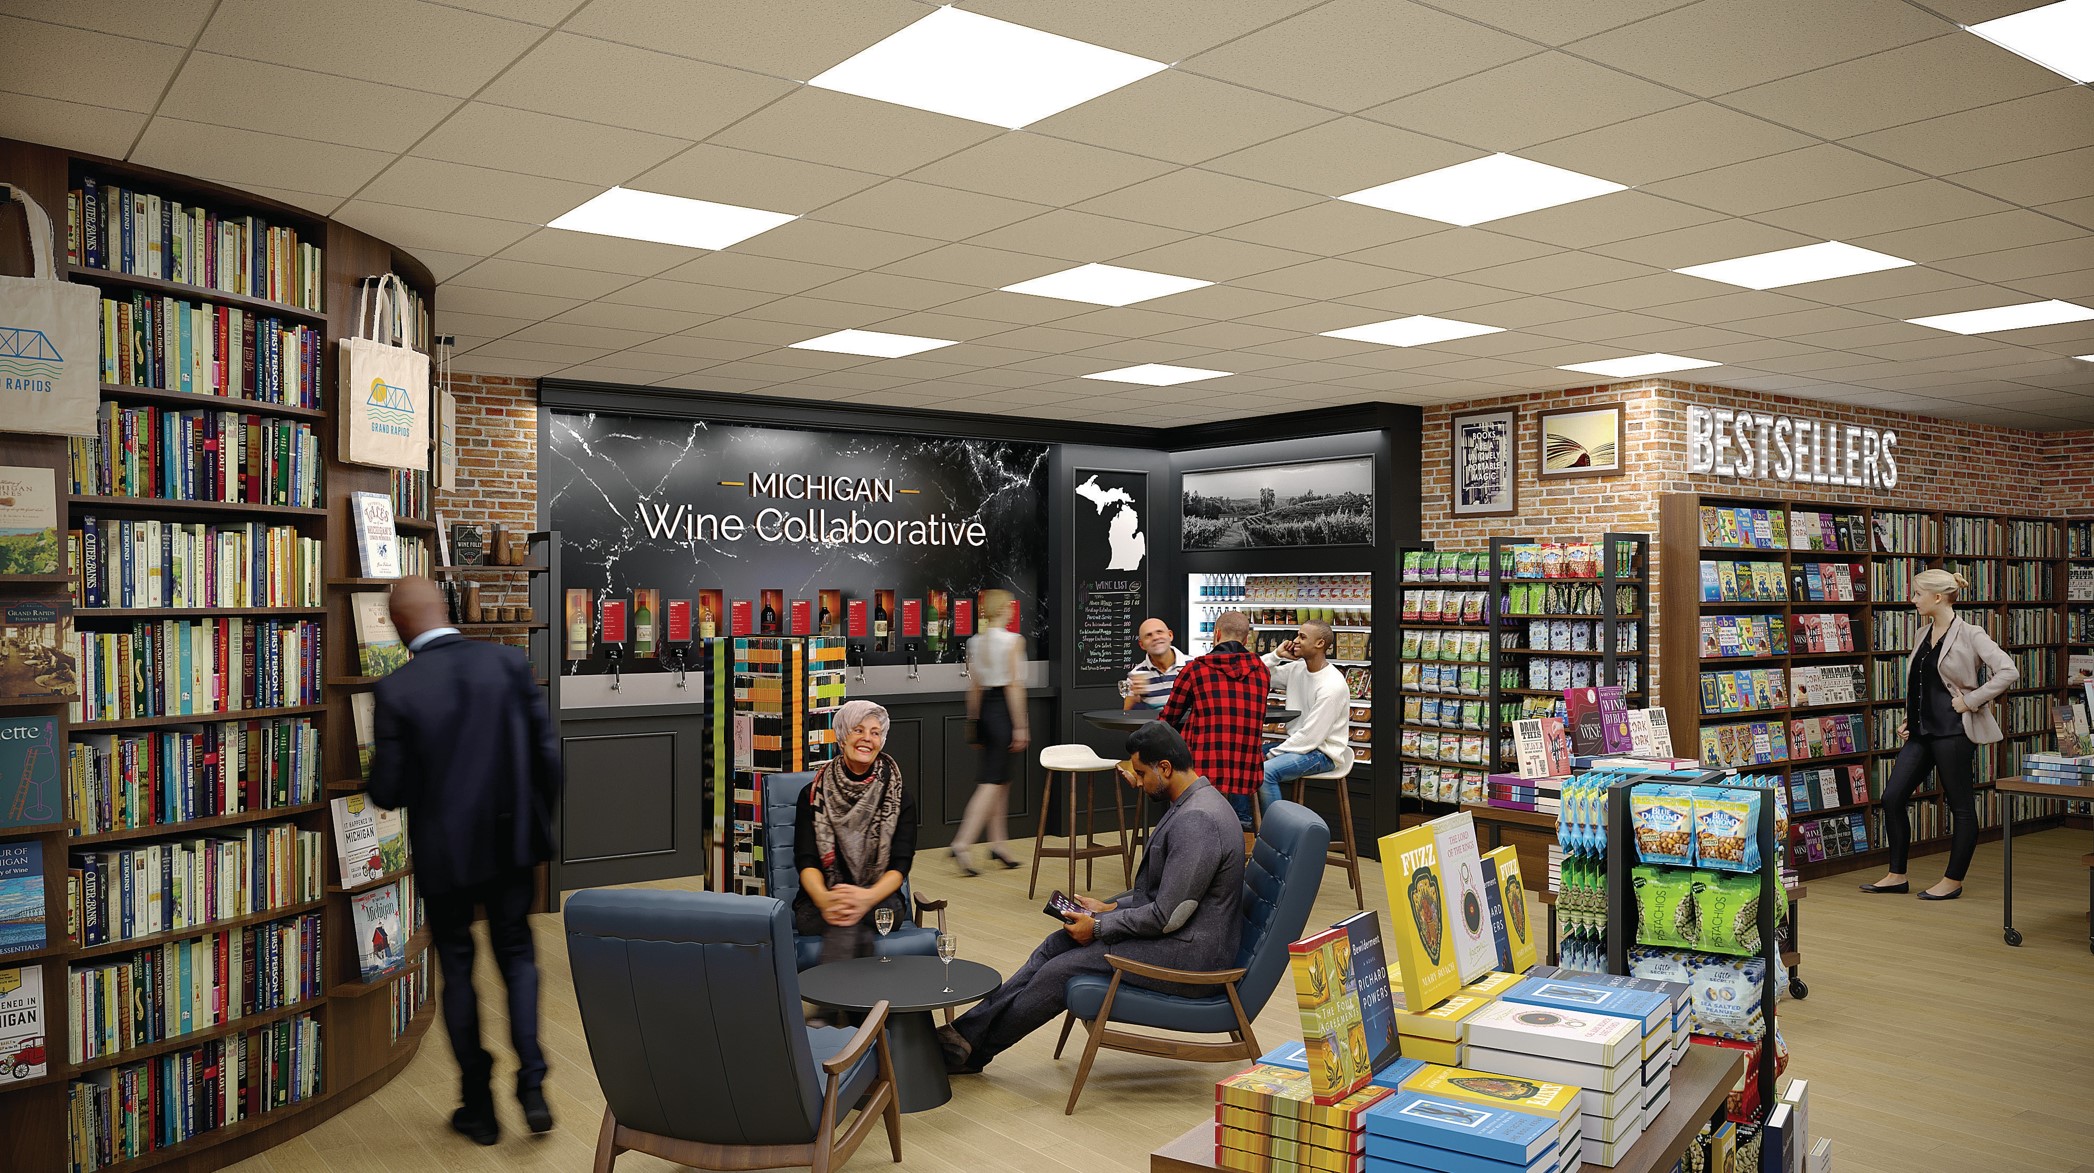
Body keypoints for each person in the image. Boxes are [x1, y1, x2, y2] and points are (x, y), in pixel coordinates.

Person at [368, 576, 561, 1146]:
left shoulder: (397, 689)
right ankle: (533, 1086)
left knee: (457, 969)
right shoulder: (507, 663)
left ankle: (478, 1107)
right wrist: (533, 823)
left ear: (399, 626)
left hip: (444, 854)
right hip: (511, 844)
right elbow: (548, 758)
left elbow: (388, 791)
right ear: (445, 609)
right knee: (517, 956)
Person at [937, 721, 1243, 1074]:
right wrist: (1110, 907)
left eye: (1142, 774)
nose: (1137, 782)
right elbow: (1165, 893)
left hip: (1189, 957)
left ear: (1165, 767)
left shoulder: (1198, 820)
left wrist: (1098, 927)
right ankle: (963, 1037)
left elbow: (1167, 915)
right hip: (1176, 938)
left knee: (1062, 970)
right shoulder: (1191, 804)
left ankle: (970, 1052)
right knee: (1056, 945)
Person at [1861, 569, 2017, 901]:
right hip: (1921, 733)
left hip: (1953, 733)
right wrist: (1909, 717)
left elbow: (2008, 671)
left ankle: (1952, 880)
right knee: (1892, 798)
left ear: (1937, 597)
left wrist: (1970, 701)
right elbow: (1922, 682)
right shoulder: (1922, 633)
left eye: (1917, 594)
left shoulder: (1972, 634)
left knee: (1961, 806)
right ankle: (1896, 875)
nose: (1912, 599)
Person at [796, 700, 918, 960]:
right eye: (858, 730)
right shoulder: (813, 794)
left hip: (879, 899)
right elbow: (807, 861)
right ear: (842, 738)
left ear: (881, 741)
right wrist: (825, 899)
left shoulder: (898, 796)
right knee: (838, 917)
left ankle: (837, 983)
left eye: (875, 733)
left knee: (868, 916)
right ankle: (864, 983)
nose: (867, 739)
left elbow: (900, 865)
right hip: (822, 901)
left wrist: (866, 898)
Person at [1158, 611, 1271, 830]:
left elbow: (1168, 718)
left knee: (1172, 761)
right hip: (1247, 770)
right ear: (1246, 639)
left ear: (1216, 634)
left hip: (1203, 769)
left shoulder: (1196, 669)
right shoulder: (1262, 671)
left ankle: (1181, 835)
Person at [952, 589, 1028, 875]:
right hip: (1003, 712)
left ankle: (999, 844)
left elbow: (973, 686)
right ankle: (962, 842)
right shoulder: (1013, 641)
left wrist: (973, 722)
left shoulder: (975, 642)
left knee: (1000, 779)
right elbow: (1014, 686)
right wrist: (1020, 725)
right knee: (991, 782)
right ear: (1004, 609)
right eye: (1010, 606)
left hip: (984, 711)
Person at [1258, 619, 1355, 814]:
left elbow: (1310, 737)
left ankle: (1277, 830)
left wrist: (1271, 755)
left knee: (1266, 772)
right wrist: (1276, 655)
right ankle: (1245, 822)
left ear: (1319, 643)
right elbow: (1257, 673)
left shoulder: (1331, 686)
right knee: (1243, 759)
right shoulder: (1297, 669)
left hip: (1322, 753)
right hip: (1299, 746)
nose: (1295, 641)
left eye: (1302, 637)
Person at [1121, 617, 1187, 711]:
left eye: (1159, 632)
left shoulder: (1195, 665)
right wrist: (1134, 697)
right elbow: (1127, 715)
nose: (1155, 638)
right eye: (1148, 635)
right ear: (1142, 645)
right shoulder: (1136, 675)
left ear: (1170, 635)